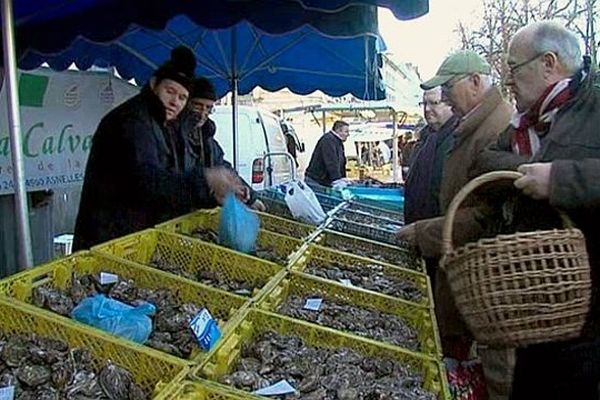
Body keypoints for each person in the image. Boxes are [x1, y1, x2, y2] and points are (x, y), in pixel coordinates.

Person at [473, 21, 600, 400]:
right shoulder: (522, 124)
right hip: (536, 305)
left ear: (549, 63)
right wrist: (523, 171)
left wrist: (559, 179)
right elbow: (483, 162)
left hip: (588, 318)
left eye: (514, 68)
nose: (509, 80)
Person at [397, 50, 514, 399]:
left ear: (476, 82)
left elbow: (483, 215)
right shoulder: (475, 125)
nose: (444, 98)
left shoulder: (495, 128)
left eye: (449, 88)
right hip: (457, 265)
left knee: (491, 372)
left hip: (476, 275)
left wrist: (423, 232)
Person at [73, 47, 243, 250]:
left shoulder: (165, 123)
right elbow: (148, 183)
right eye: (170, 91)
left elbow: (171, 180)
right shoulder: (132, 121)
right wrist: (204, 179)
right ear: (154, 85)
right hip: (109, 240)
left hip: (137, 238)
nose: (175, 102)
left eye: (182, 97)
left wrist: (210, 194)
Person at [185, 76, 265, 212]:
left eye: (208, 108)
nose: (203, 113)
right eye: (197, 106)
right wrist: (207, 178)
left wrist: (249, 195)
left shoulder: (207, 139)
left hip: (199, 212)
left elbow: (223, 166)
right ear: (186, 103)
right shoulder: (175, 136)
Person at [404, 87, 457, 225]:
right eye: (424, 104)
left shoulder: (456, 139)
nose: (427, 109)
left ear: (451, 104)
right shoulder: (427, 138)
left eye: (434, 103)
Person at [305, 120, 350, 189]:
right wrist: (337, 179)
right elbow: (331, 161)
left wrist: (342, 178)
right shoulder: (328, 140)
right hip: (316, 181)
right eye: (346, 131)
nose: (348, 134)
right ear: (339, 130)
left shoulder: (337, 142)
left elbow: (341, 162)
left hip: (323, 181)